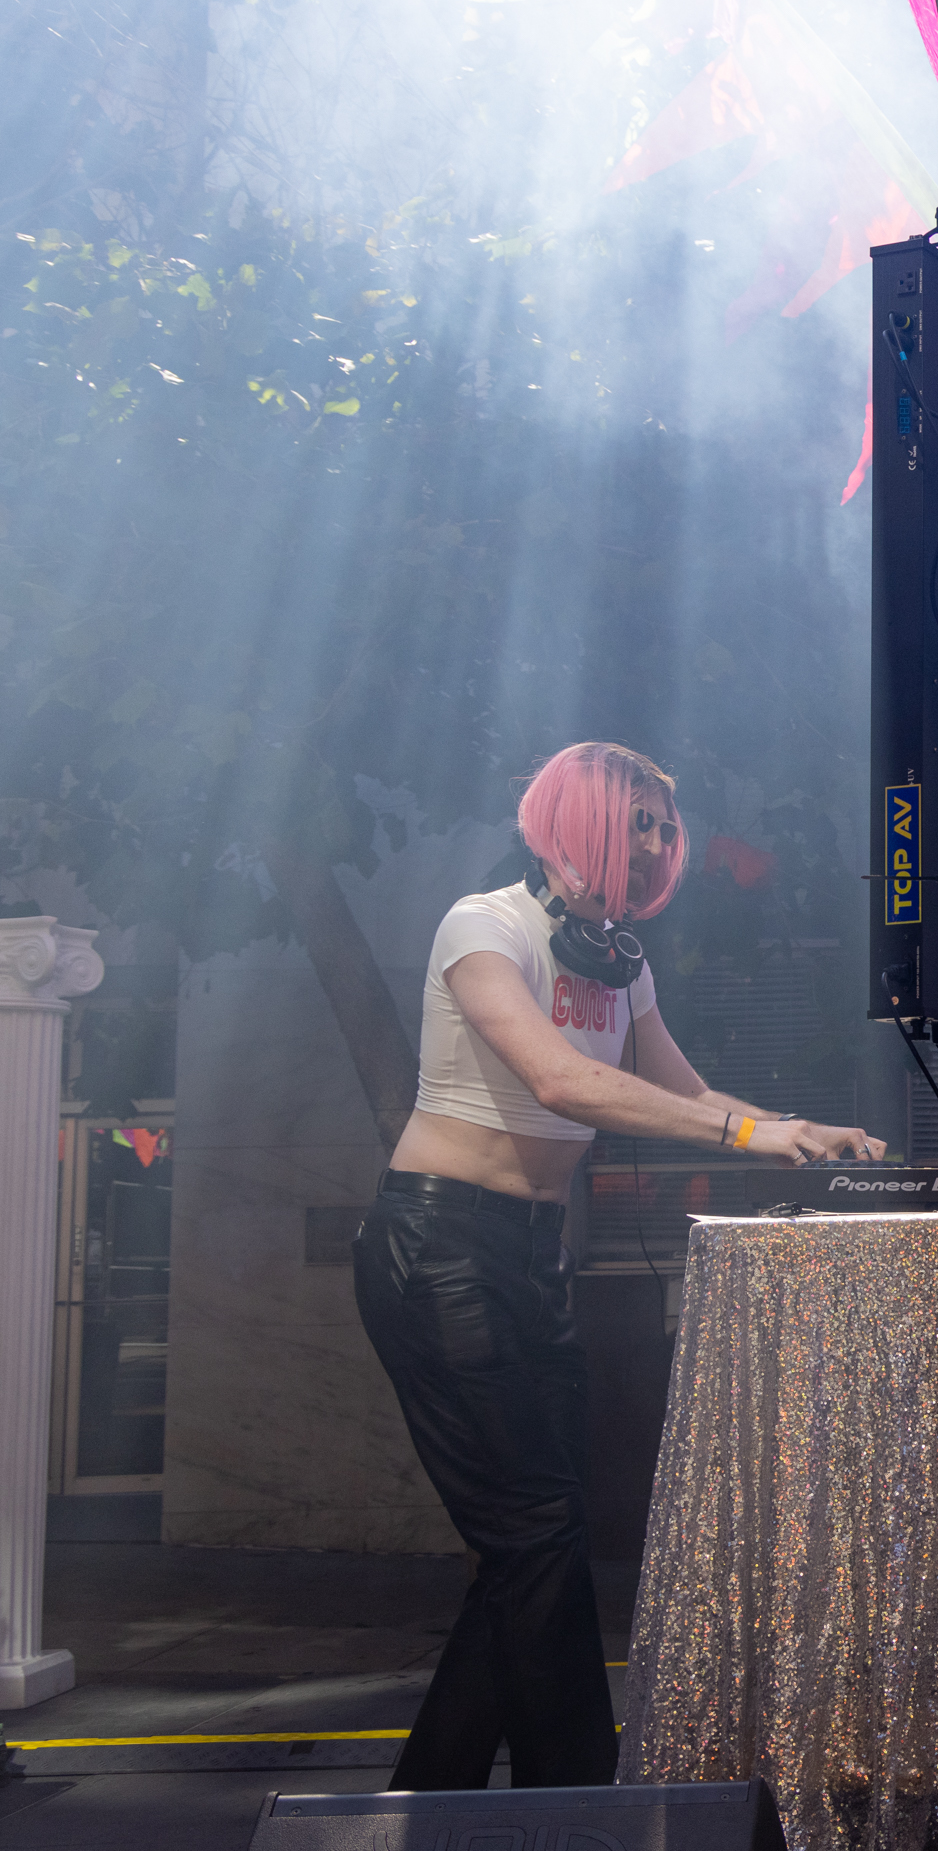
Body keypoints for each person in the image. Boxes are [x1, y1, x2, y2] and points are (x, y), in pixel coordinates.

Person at [355, 741, 884, 1789]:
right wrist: (742, 1139)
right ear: (574, 822)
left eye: (662, 827)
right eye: (634, 821)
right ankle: (581, 1814)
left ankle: (428, 1813)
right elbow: (557, 1081)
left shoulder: (620, 963)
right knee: (538, 1532)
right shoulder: (485, 927)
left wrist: (795, 1127)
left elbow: (686, 1091)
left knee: (530, 1543)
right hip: (440, 1246)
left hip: (525, 1255)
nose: (653, 844)